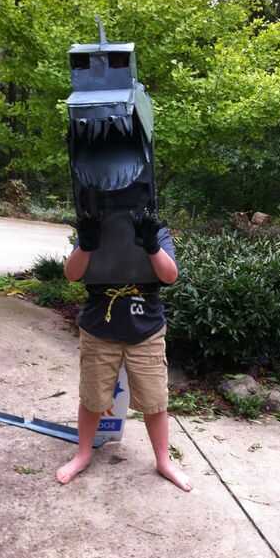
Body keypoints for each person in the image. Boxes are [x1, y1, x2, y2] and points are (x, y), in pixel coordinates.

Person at [56, 210, 192, 492]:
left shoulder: (154, 228)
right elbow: (72, 274)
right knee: (92, 397)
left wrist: (152, 245)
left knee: (155, 400)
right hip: (98, 329)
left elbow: (170, 276)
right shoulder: (94, 226)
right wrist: (86, 244)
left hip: (147, 330)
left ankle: (163, 461)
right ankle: (83, 454)